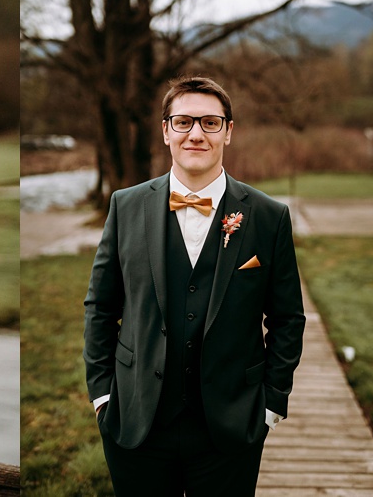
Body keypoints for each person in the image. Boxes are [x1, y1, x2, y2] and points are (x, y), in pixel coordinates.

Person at [83, 76, 306, 495]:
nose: (197, 134)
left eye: (210, 122)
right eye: (184, 122)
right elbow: (100, 306)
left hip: (230, 426)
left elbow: (287, 318)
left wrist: (271, 404)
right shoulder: (125, 206)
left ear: (229, 131)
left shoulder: (268, 215)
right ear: (166, 131)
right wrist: (102, 397)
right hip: (136, 421)